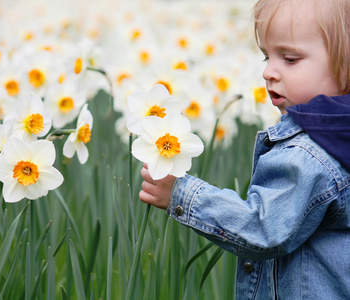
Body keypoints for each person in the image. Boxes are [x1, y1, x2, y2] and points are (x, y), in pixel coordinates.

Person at [139, 0, 350, 299]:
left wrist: (180, 194)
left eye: (289, 59)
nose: (269, 72)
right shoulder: (340, 137)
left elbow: (264, 229)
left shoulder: (310, 154)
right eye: (267, 56)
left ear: (344, 65)